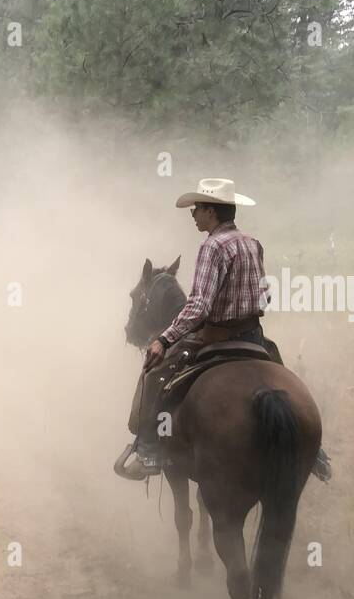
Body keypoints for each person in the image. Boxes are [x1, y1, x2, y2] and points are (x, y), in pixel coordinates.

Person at [115, 177, 330, 482]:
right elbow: (263, 293)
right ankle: (314, 451)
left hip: (213, 336)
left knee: (155, 375)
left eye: (198, 208)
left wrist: (164, 339)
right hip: (252, 335)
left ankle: (149, 449)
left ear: (211, 212)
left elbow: (199, 306)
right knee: (279, 365)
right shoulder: (253, 243)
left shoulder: (211, 247)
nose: (193, 215)